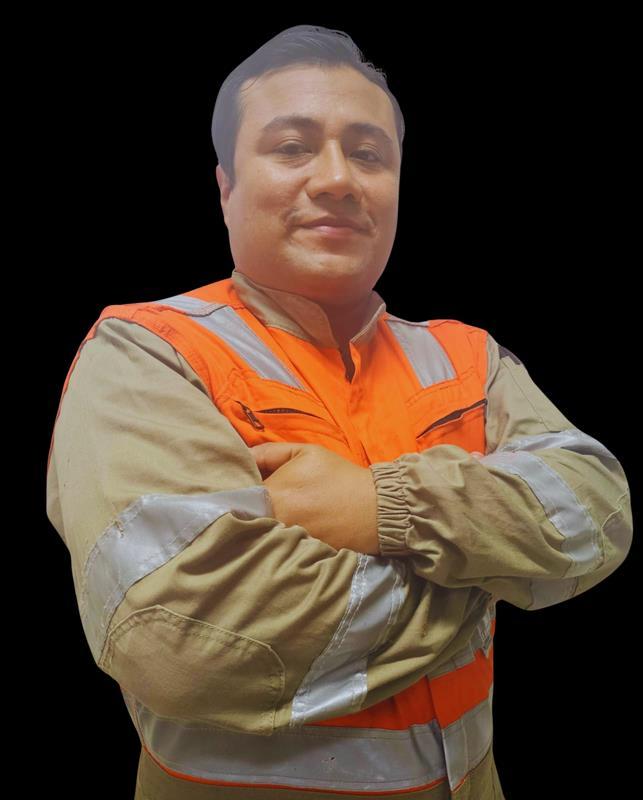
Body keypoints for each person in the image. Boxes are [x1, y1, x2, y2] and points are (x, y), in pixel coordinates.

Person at [45, 24, 632, 800]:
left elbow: (597, 511)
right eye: (292, 148)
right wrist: (490, 570)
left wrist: (381, 507)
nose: (336, 179)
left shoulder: (467, 356)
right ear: (225, 188)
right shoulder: (149, 352)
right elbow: (186, 642)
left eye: (368, 154)